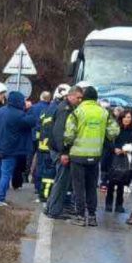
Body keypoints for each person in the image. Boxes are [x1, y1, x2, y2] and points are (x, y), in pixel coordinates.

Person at [64, 85, 119, 226]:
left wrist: (67, 145)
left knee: (78, 187)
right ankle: (92, 216)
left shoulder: (77, 112)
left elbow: (69, 135)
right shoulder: (104, 113)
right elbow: (114, 131)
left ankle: (80, 216)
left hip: (77, 155)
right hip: (95, 156)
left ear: (83, 97)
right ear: (96, 98)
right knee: (91, 187)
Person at [0, 90, 36, 206]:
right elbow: (32, 121)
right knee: (6, 173)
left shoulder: (0, 111)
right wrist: (29, 109)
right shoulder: (19, 114)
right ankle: (0, 198)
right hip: (10, 149)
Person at [45, 85, 83, 219]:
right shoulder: (65, 110)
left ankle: (50, 207)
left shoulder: (66, 107)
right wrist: (64, 152)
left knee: (59, 181)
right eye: (78, 97)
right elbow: (59, 133)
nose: (80, 100)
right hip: (60, 151)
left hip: (59, 150)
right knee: (61, 182)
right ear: (70, 96)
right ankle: (54, 211)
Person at [36, 84, 69, 202]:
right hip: (51, 147)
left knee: (45, 171)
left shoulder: (49, 108)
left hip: (44, 145)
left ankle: (43, 194)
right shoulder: (59, 109)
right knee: (50, 172)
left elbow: (40, 126)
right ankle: (46, 196)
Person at [105, 110, 132, 213]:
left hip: (125, 157)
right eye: (124, 117)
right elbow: (108, 141)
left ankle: (119, 205)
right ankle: (108, 204)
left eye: (128, 117)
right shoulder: (116, 129)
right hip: (113, 156)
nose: (126, 119)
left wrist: (126, 150)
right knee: (111, 181)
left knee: (122, 181)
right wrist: (114, 148)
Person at [27, 90, 52, 198]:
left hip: (32, 136)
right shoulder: (50, 109)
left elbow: (28, 120)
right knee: (41, 161)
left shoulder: (33, 107)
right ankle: (36, 180)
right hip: (44, 139)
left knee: (30, 156)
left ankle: (26, 176)